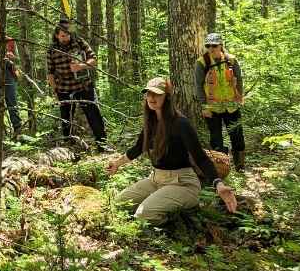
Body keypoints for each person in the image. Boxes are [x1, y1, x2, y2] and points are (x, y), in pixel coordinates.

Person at [106, 77, 238, 224]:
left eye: (157, 94)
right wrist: (117, 163)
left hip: (182, 184)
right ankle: (159, 202)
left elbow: (201, 158)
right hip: (155, 180)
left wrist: (218, 184)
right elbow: (138, 148)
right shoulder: (151, 122)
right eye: (148, 94)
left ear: (167, 97)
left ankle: (180, 218)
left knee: (143, 215)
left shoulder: (181, 124)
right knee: (118, 203)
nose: (151, 97)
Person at [46, 17, 107, 150]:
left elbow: (94, 59)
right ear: (56, 36)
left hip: (83, 86)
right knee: (66, 119)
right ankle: (69, 147)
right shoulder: (51, 50)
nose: (65, 38)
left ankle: (102, 144)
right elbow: (50, 72)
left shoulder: (79, 42)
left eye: (67, 34)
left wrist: (81, 66)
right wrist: (55, 90)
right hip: (63, 89)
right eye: (62, 35)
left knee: (93, 115)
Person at [195, 32, 246, 171]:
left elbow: (239, 79)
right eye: (208, 46)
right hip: (212, 108)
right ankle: (221, 169)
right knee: (216, 139)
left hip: (231, 105)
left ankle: (240, 166)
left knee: (237, 135)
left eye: (214, 45)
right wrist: (204, 106)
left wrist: (240, 97)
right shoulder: (202, 63)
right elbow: (198, 86)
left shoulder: (232, 60)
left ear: (221, 45)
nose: (211, 48)